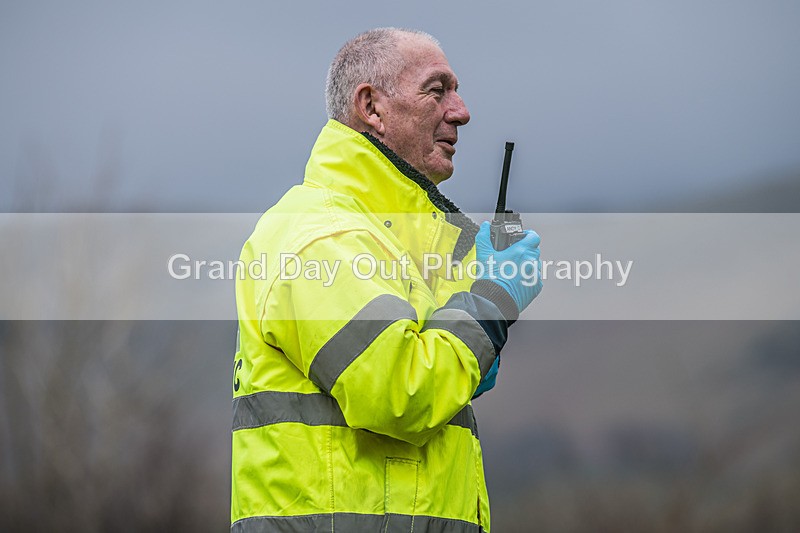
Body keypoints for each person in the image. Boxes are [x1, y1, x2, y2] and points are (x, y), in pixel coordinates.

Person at [231, 28, 542, 532]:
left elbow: (423, 377)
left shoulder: (390, 245)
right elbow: (403, 394)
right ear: (371, 108)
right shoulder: (318, 235)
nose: (462, 112)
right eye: (437, 90)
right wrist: (491, 301)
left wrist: (471, 340)